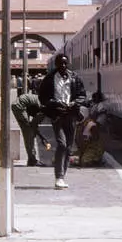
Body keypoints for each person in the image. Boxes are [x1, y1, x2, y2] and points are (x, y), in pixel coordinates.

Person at [39, 54, 86, 189]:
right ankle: (58, 177)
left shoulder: (75, 78)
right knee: (62, 144)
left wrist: (74, 103)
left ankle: (62, 176)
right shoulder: (49, 79)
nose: (63, 66)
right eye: (60, 63)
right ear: (56, 64)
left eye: (65, 63)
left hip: (71, 115)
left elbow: (82, 95)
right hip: (57, 116)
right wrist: (54, 103)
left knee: (69, 147)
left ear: (68, 64)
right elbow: (43, 98)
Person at [11, 93, 51, 167]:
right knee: (29, 134)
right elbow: (34, 125)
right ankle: (32, 160)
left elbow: (34, 126)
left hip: (17, 105)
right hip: (20, 106)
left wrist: (39, 136)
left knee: (28, 132)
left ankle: (31, 159)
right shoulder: (44, 109)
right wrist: (42, 138)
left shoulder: (42, 102)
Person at [74, 92, 108, 167]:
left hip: (92, 148)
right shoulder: (80, 124)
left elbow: (96, 140)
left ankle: (97, 159)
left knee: (84, 162)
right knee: (61, 158)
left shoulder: (90, 124)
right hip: (84, 149)